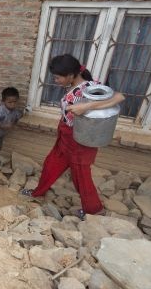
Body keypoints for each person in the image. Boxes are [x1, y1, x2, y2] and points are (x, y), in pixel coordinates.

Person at [20, 54, 125, 219]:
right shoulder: (78, 86)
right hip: (66, 135)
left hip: (81, 142)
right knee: (51, 164)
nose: (55, 80)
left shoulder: (90, 88)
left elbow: (119, 97)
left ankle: (95, 210)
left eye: (58, 77)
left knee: (81, 177)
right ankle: (38, 192)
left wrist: (87, 106)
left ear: (70, 75)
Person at [0, 87, 23, 163]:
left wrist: (16, 121)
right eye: (10, 102)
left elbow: (18, 116)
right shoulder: (0, 111)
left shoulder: (15, 111)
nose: (13, 104)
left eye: (15, 102)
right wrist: (3, 126)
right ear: (3, 101)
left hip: (0, 135)